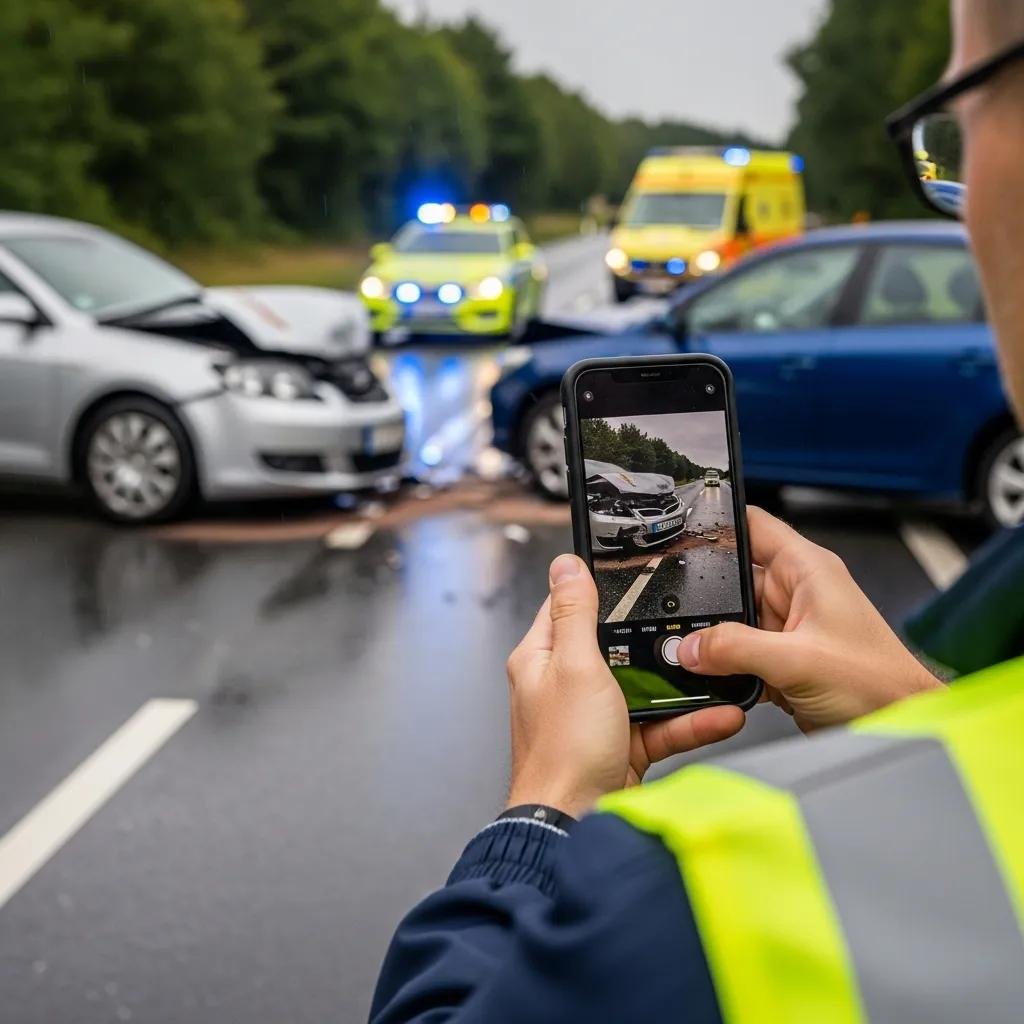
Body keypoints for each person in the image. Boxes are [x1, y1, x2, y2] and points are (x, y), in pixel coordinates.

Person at [371, 3, 1024, 1020]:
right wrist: (912, 710)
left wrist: (543, 813)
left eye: (955, 123)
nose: (961, 190)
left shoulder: (689, 904)